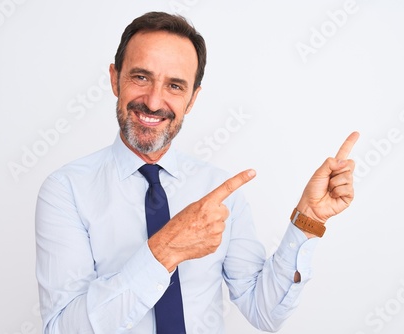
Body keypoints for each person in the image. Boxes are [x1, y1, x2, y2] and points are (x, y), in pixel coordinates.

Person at [35, 11, 359, 334]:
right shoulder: (66, 189)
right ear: (114, 78)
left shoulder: (218, 190)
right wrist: (167, 249)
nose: (153, 101)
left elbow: (265, 312)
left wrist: (308, 220)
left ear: (192, 99)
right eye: (140, 77)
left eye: (175, 86)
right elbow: (64, 328)